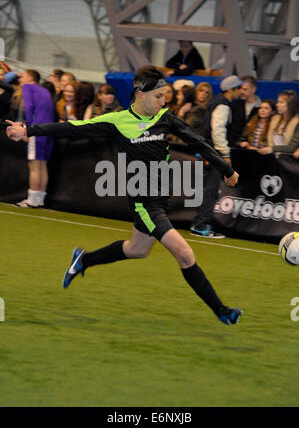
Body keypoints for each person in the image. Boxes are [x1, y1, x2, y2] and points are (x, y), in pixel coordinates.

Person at [4, 64, 243, 326]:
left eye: (165, 97)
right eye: (158, 96)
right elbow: (72, 127)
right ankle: (222, 311)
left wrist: (226, 169)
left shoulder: (166, 118)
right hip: (144, 203)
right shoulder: (117, 121)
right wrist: (28, 130)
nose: (163, 101)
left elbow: (198, 142)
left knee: (137, 249)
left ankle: (84, 260)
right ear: (141, 93)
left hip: (161, 199)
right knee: (185, 254)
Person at [190, 75, 242, 238]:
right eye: (238, 89)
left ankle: (199, 223)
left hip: (208, 151)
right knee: (211, 190)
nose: (240, 92)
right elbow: (218, 130)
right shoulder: (223, 104)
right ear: (231, 89)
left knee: (208, 189)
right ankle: (200, 225)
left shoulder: (217, 101)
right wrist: (225, 154)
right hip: (214, 153)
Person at [15, 69, 56, 208]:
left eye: (23, 76)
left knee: (34, 165)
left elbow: (29, 107)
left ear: (30, 78)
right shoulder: (44, 90)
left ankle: (31, 200)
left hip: (36, 129)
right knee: (42, 164)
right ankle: (40, 199)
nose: (21, 79)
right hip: (49, 130)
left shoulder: (28, 87)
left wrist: (26, 130)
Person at [258, 90, 299, 156]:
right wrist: (262, 145)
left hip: (286, 160)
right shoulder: (274, 119)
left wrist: (273, 149)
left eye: (281, 102)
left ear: (290, 105)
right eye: (278, 102)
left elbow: (292, 147)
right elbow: (267, 139)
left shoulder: (297, 122)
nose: (277, 104)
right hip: (271, 158)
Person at [228, 75, 261, 147]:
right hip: (234, 147)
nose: (241, 92)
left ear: (253, 89)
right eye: (240, 88)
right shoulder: (234, 106)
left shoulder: (261, 108)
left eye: (244, 89)